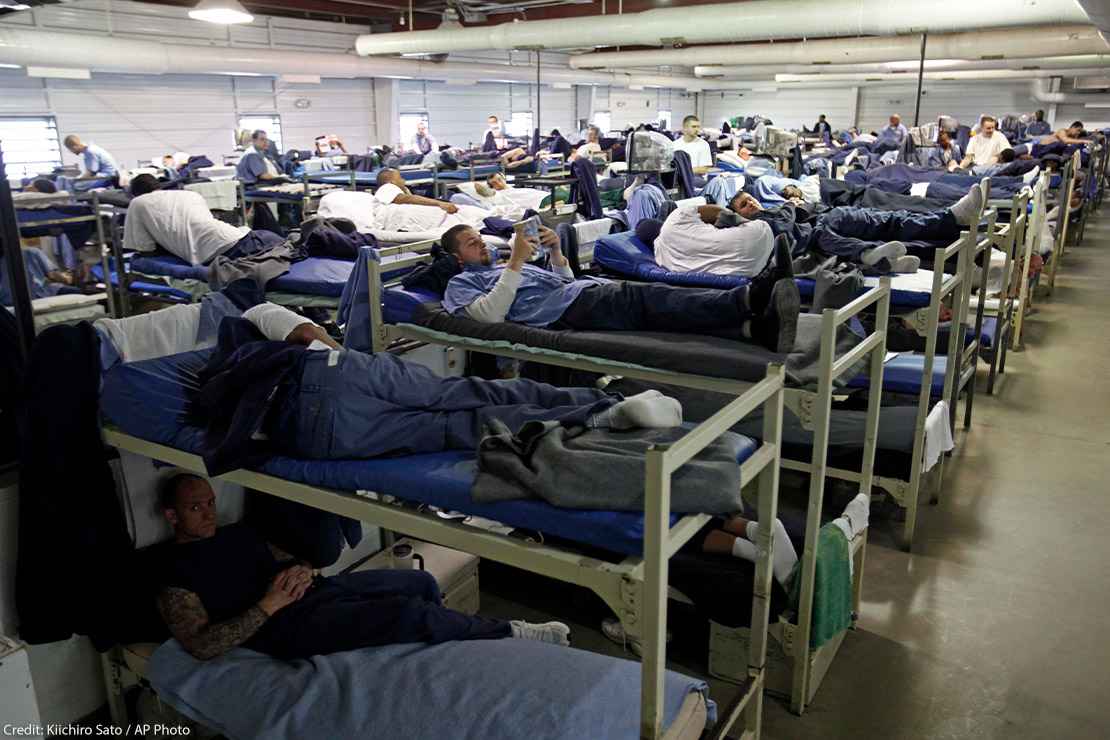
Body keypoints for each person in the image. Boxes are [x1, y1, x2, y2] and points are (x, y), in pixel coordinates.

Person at [153, 474, 572, 661]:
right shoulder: (175, 574)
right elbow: (201, 645)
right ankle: (514, 633)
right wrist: (269, 604)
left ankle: (443, 653)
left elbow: (291, 560)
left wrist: (303, 570)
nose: (208, 513)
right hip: (283, 626)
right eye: (195, 508)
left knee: (420, 582)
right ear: (171, 516)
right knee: (409, 613)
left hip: (317, 592)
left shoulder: (236, 534)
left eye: (209, 502)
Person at [440, 221, 800, 353]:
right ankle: (751, 295)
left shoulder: (504, 266)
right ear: (458, 258)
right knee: (649, 297)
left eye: (480, 239)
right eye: (472, 244)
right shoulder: (461, 283)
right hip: (570, 309)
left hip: (577, 294)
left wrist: (555, 251)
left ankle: (756, 329)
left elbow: (564, 281)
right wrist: (516, 261)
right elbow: (489, 315)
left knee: (659, 312)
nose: (483, 246)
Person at [727, 184, 986, 272]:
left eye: (749, 199)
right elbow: (788, 223)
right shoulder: (760, 225)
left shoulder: (773, 208)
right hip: (824, 223)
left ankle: (954, 221)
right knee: (889, 224)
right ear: (738, 215)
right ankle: (953, 223)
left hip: (825, 219)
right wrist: (791, 205)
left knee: (890, 221)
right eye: (743, 205)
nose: (749, 203)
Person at [124, 174, 283, 265]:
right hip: (247, 237)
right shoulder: (189, 194)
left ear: (136, 193)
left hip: (226, 251)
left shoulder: (138, 203)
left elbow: (145, 250)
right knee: (293, 249)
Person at [652, 203, 775, 277]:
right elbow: (722, 213)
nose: (750, 204)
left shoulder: (662, 259)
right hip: (759, 241)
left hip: (748, 269)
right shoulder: (676, 217)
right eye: (743, 204)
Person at [1013, 121, 1091, 158]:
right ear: (1072, 127)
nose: (1078, 133)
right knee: (1009, 153)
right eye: (1078, 130)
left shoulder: (1072, 140)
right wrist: (1084, 140)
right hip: (1032, 147)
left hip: (1036, 153)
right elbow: (1065, 140)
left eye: (1080, 131)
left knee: (1012, 160)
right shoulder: (1062, 131)